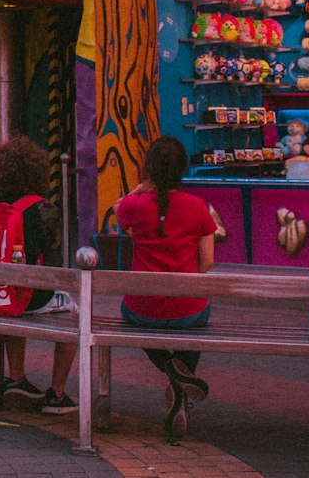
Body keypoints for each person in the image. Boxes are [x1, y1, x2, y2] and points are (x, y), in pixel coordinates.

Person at [0, 135, 78, 414]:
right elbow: (56, 270)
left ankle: (12, 375)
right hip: (24, 299)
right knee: (74, 313)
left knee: (3, 299)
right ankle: (56, 394)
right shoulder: (45, 210)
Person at [115, 136, 216, 443]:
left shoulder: (135, 205)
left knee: (131, 317)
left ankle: (173, 376)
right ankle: (180, 385)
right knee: (195, 316)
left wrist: (138, 190)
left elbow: (118, 210)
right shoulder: (198, 207)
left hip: (142, 309)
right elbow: (208, 262)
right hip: (186, 310)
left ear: (149, 170)